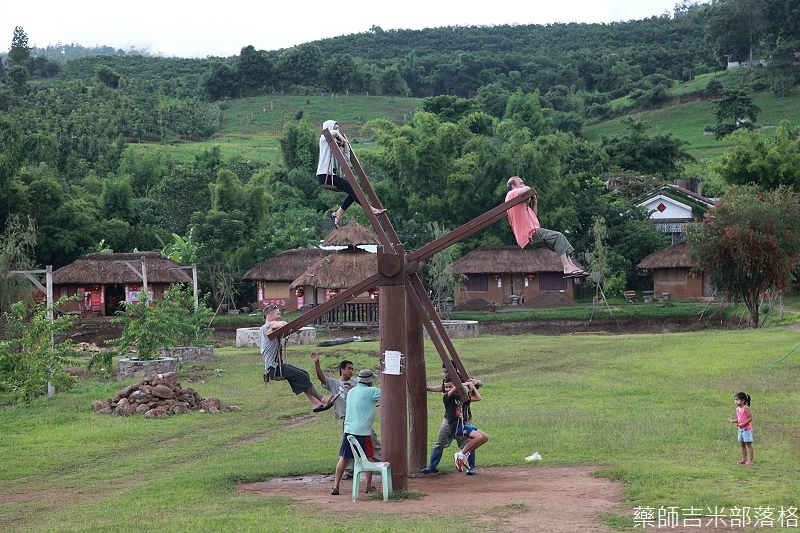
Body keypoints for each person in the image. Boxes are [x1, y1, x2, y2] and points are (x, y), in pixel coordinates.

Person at [260, 304, 339, 413]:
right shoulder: (267, 326)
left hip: (277, 366)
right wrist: (287, 327)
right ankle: (322, 399)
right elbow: (283, 324)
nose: (279, 317)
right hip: (273, 368)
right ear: (270, 314)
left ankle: (315, 403)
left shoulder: (269, 328)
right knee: (300, 376)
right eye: (278, 314)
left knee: (304, 374)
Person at [505, 176, 588, 278]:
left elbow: (534, 217)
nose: (523, 184)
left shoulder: (520, 204)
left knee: (560, 243)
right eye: (521, 183)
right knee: (558, 236)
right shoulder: (511, 195)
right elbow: (527, 189)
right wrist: (530, 190)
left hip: (533, 233)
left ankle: (571, 266)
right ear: (513, 186)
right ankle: (566, 267)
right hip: (529, 234)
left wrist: (534, 202)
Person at [316, 120, 385, 229]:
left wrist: (346, 145)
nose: (337, 130)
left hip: (331, 176)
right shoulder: (324, 139)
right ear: (329, 128)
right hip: (324, 176)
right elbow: (332, 134)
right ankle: (371, 210)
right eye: (335, 127)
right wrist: (342, 139)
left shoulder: (334, 145)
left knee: (354, 190)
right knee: (354, 189)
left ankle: (338, 214)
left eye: (338, 128)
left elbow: (346, 159)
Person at [422, 364, 483, 475]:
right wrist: (427, 388)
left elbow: (479, 385)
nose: (446, 374)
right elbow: (444, 389)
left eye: (447, 371)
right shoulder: (448, 385)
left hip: (464, 418)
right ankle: (432, 466)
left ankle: (470, 467)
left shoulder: (464, 377)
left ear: (453, 369)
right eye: (444, 372)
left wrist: (475, 382)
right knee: (439, 442)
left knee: (469, 443)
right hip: (449, 420)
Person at [331, 368, 382, 495]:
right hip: (363, 432)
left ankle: (336, 486)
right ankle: (368, 486)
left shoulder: (352, 391)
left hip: (348, 430)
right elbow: (388, 394)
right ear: (370, 381)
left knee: (343, 458)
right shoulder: (373, 391)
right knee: (368, 458)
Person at [446, 377, 489, 473]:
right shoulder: (447, 398)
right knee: (477, 437)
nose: (447, 389)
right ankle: (460, 455)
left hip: (463, 425)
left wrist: (472, 386)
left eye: (450, 386)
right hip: (455, 427)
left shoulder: (461, 398)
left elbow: (478, 398)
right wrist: (463, 384)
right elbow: (453, 389)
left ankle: (465, 454)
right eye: (446, 387)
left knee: (485, 437)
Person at [727, 392, 753, 466]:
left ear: (743, 400)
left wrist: (743, 424)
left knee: (749, 444)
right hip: (740, 430)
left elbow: (750, 418)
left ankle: (750, 460)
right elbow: (739, 419)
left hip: (746, 430)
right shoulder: (737, 409)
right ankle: (744, 459)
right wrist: (732, 421)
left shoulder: (746, 408)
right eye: (735, 400)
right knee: (742, 445)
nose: (735, 402)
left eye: (737, 400)